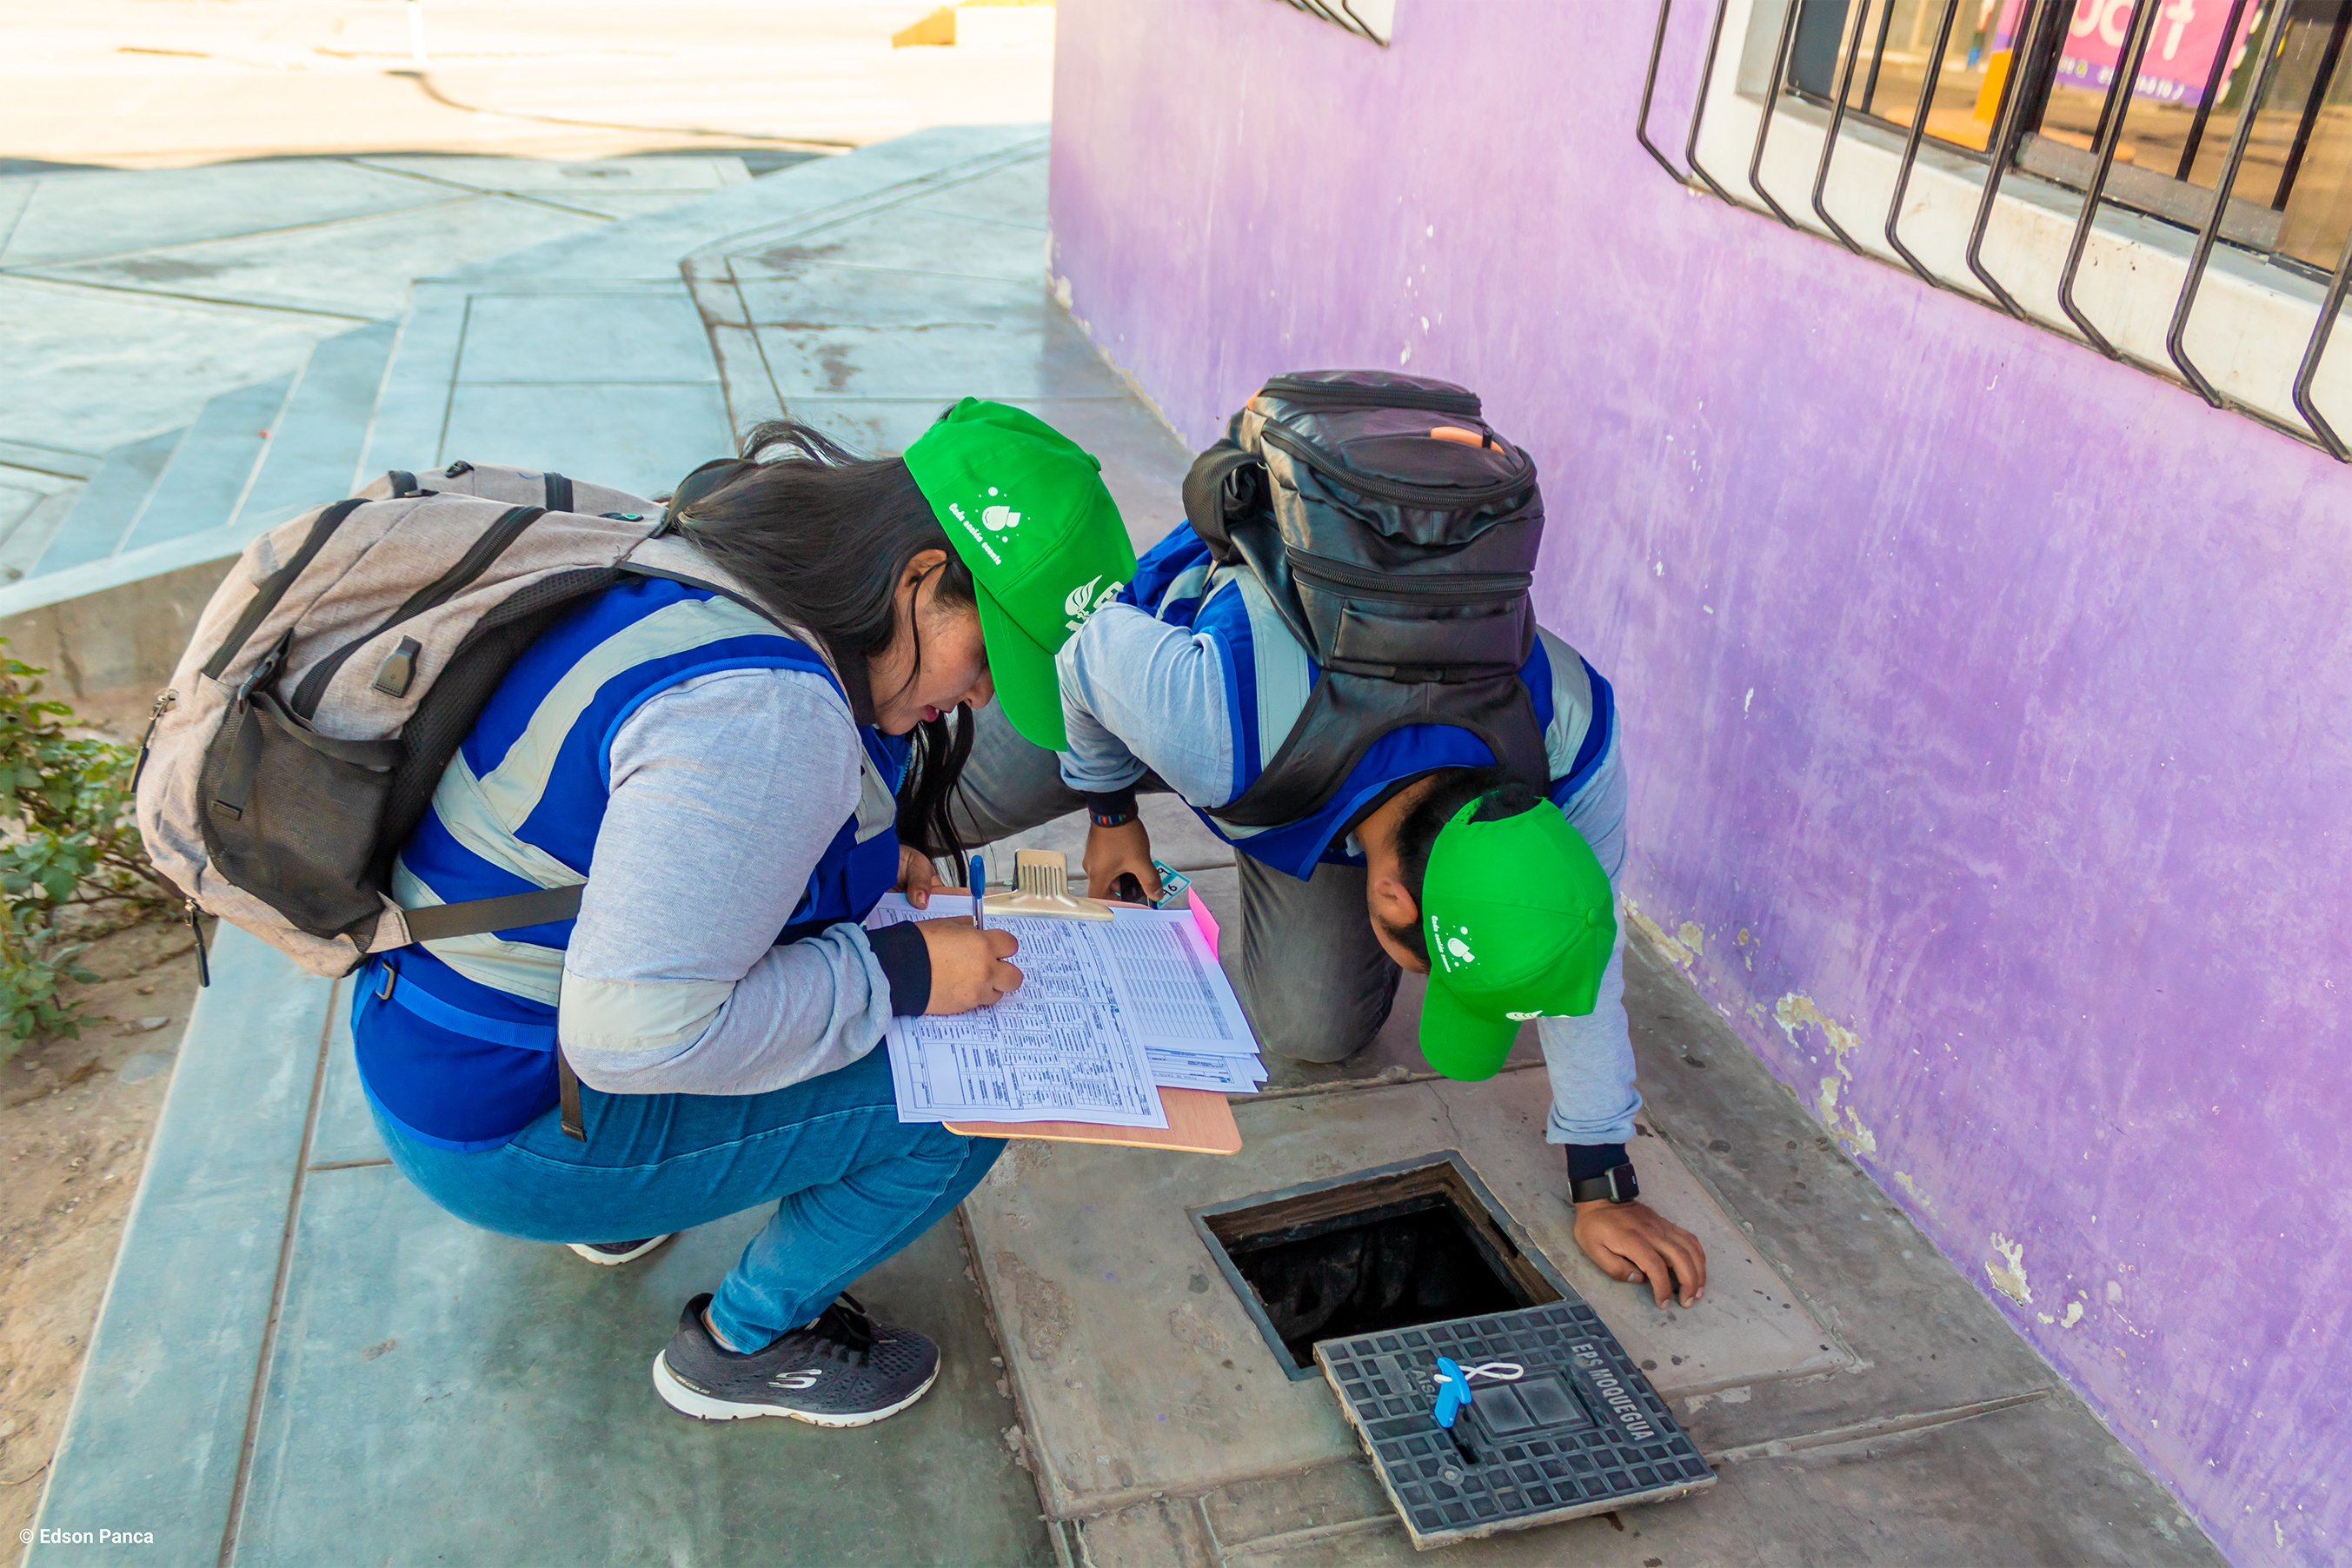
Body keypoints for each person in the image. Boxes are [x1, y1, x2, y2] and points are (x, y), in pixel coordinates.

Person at [353, 400, 1137, 1425]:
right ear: (918, 574)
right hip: (514, 1120)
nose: (983, 700)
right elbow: (634, 1034)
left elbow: (655, 840)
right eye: (986, 657)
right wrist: (906, 977)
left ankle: (637, 1196)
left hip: (437, 1034)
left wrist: (860, 858)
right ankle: (744, 1344)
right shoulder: (765, 714)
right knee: (965, 1105)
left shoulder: (728, 547)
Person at [950, 517, 1710, 1309]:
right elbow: (1090, 656)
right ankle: (1125, 773)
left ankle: (1283, 822)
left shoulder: (1574, 736)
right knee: (937, 804)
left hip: (1301, 777)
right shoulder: (1217, 723)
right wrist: (1110, 817)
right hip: (1193, 694)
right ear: (1390, 896)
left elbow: (1578, 954)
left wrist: (1602, 1178)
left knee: (1316, 1029)